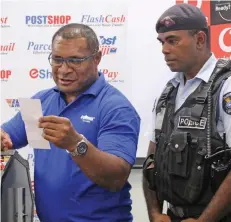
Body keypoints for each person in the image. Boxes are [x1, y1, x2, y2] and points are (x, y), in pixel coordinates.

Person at [1, 23, 141, 222]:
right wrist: (2, 139)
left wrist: (75, 144)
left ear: (97, 59)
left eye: (75, 60)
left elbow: (115, 178)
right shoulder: (41, 101)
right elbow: (8, 136)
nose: (64, 70)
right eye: (57, 59)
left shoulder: (116, 108)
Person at [142, 3, 231, 222]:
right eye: (162, 42)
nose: (164, 49)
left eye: (173, 40)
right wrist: (155, 213)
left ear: (200, 39)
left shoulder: (225, 87)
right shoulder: (168, 92)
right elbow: (152, 158)